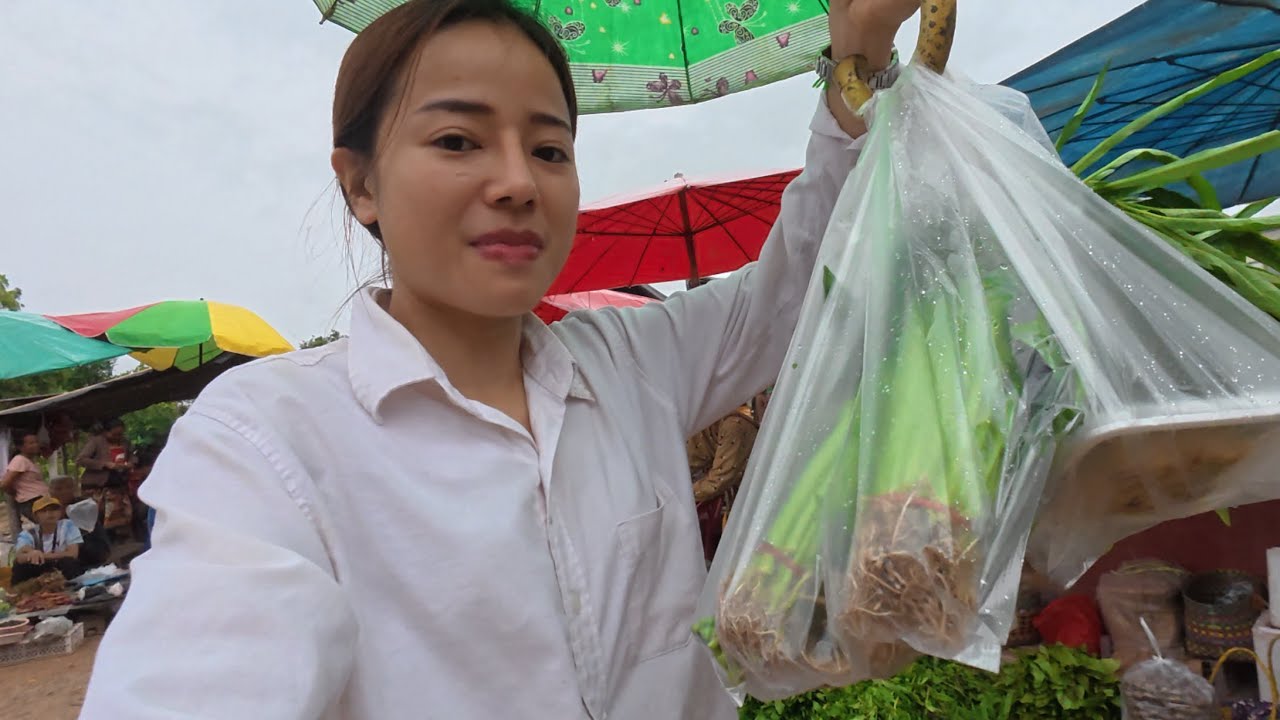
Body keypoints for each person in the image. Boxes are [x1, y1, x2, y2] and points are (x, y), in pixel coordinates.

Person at [82, 0, 919, 717]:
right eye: (457, 140)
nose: (519, 181)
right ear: (360, 184)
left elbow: (798, 280)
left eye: (550, 149)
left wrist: (861, 59)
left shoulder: (635, 360)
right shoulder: (265, 441)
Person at [687, 391, 767, 564]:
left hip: (730, 512)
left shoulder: (736, 424)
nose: (767, 400)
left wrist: (683, 495)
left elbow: (719, 480)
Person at [12, 496, 84, 585]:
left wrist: (42, 555)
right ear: (35, 516)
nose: (49, 513)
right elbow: (20, 556)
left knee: (69, 562)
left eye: (54, 510)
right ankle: (18, 593)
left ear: (60, 512)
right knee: (20, 567)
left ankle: (74, 588)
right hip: (39, 568)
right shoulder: (28, 533)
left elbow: (73, 553)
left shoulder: (68, 525)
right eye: (44, 511)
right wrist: (32, 552)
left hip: (60, 566)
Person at [49, 474, 111, 568]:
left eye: (68, 487)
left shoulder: (84, 505)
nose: (64, 492)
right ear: (50, 491)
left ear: (75, 489)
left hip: (92, 548)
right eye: (58, 489)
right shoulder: (49, 509)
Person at [2, 433, 49, 521]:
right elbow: (5, 483)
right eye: (31, 443)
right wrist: (14, 492)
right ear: (21, 447)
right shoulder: (19, 460)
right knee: (49, 525)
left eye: (36, 442)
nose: (36, 445)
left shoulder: (29, 461)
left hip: (40, 499)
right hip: (31, 501)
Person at [76, 418, 132, 491]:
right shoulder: (96, 441)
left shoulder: (125, 442)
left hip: (119, 482)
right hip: (96, 484)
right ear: (105, 432)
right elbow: (81, 460)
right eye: (114, 434)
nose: (117, 437)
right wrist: (105, 464)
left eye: (120, 434)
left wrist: (131, 463)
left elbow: (132, 455)